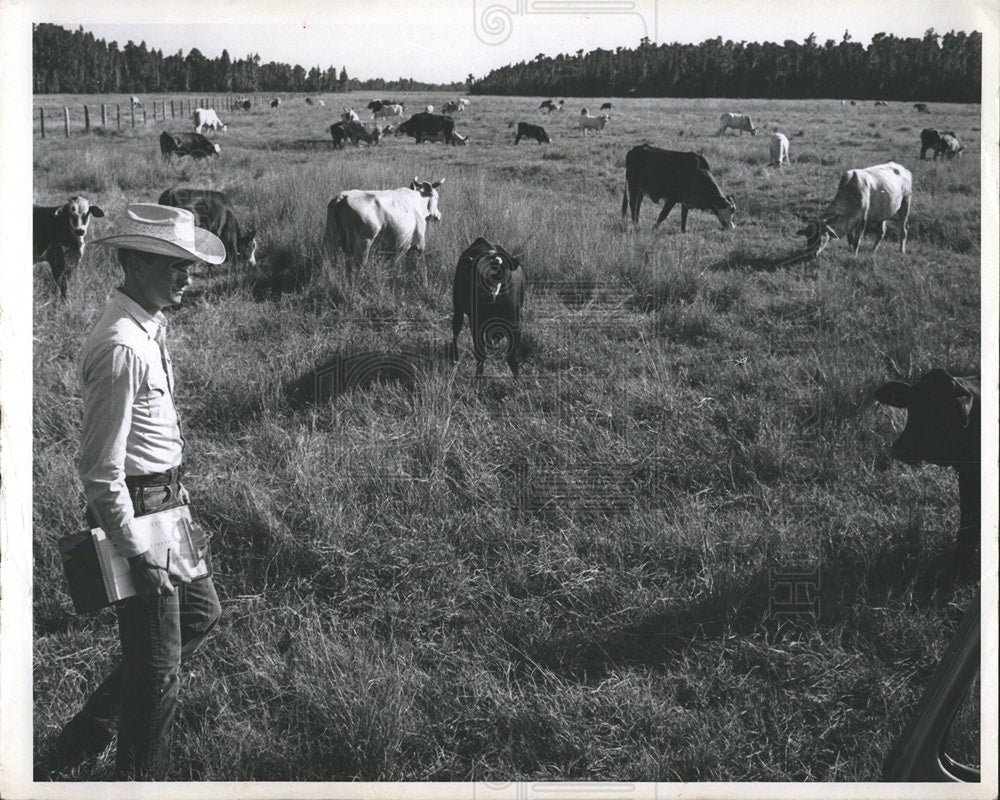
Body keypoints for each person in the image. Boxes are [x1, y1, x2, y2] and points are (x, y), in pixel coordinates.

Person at [55, 204, 226, 780]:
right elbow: (99, 468)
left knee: (200, 614)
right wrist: (134, 547)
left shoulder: (146, 326)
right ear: (133, 263)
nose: (186, 277)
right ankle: (139, 779)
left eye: (190, 266)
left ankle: (86, 732)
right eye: (173, 264)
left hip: (166, 501)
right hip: (141, 508)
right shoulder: (122, 346)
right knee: (159, 663)